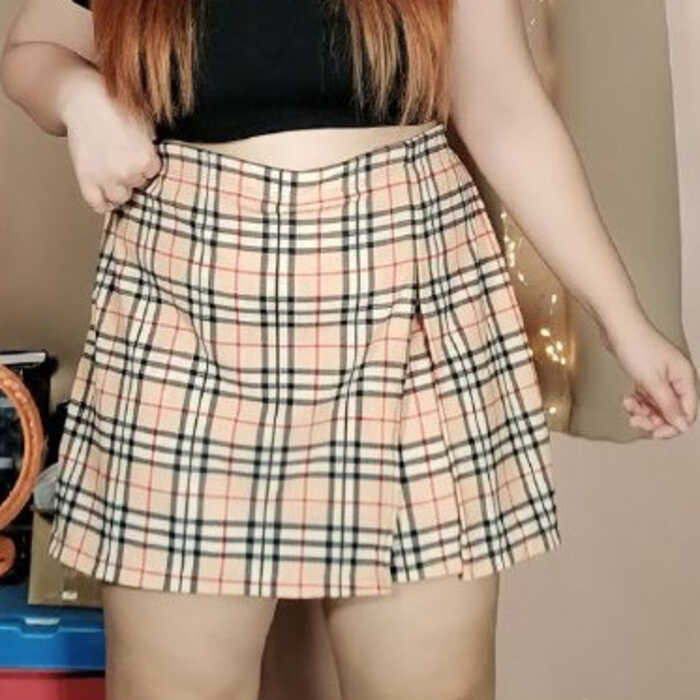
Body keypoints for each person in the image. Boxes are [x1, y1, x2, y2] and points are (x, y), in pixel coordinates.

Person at [1, 1, 697, 699]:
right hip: (184, 310)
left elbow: (504, 111)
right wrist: (79, 96)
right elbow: (29, 51)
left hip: (411, 303)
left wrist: (624, 324)